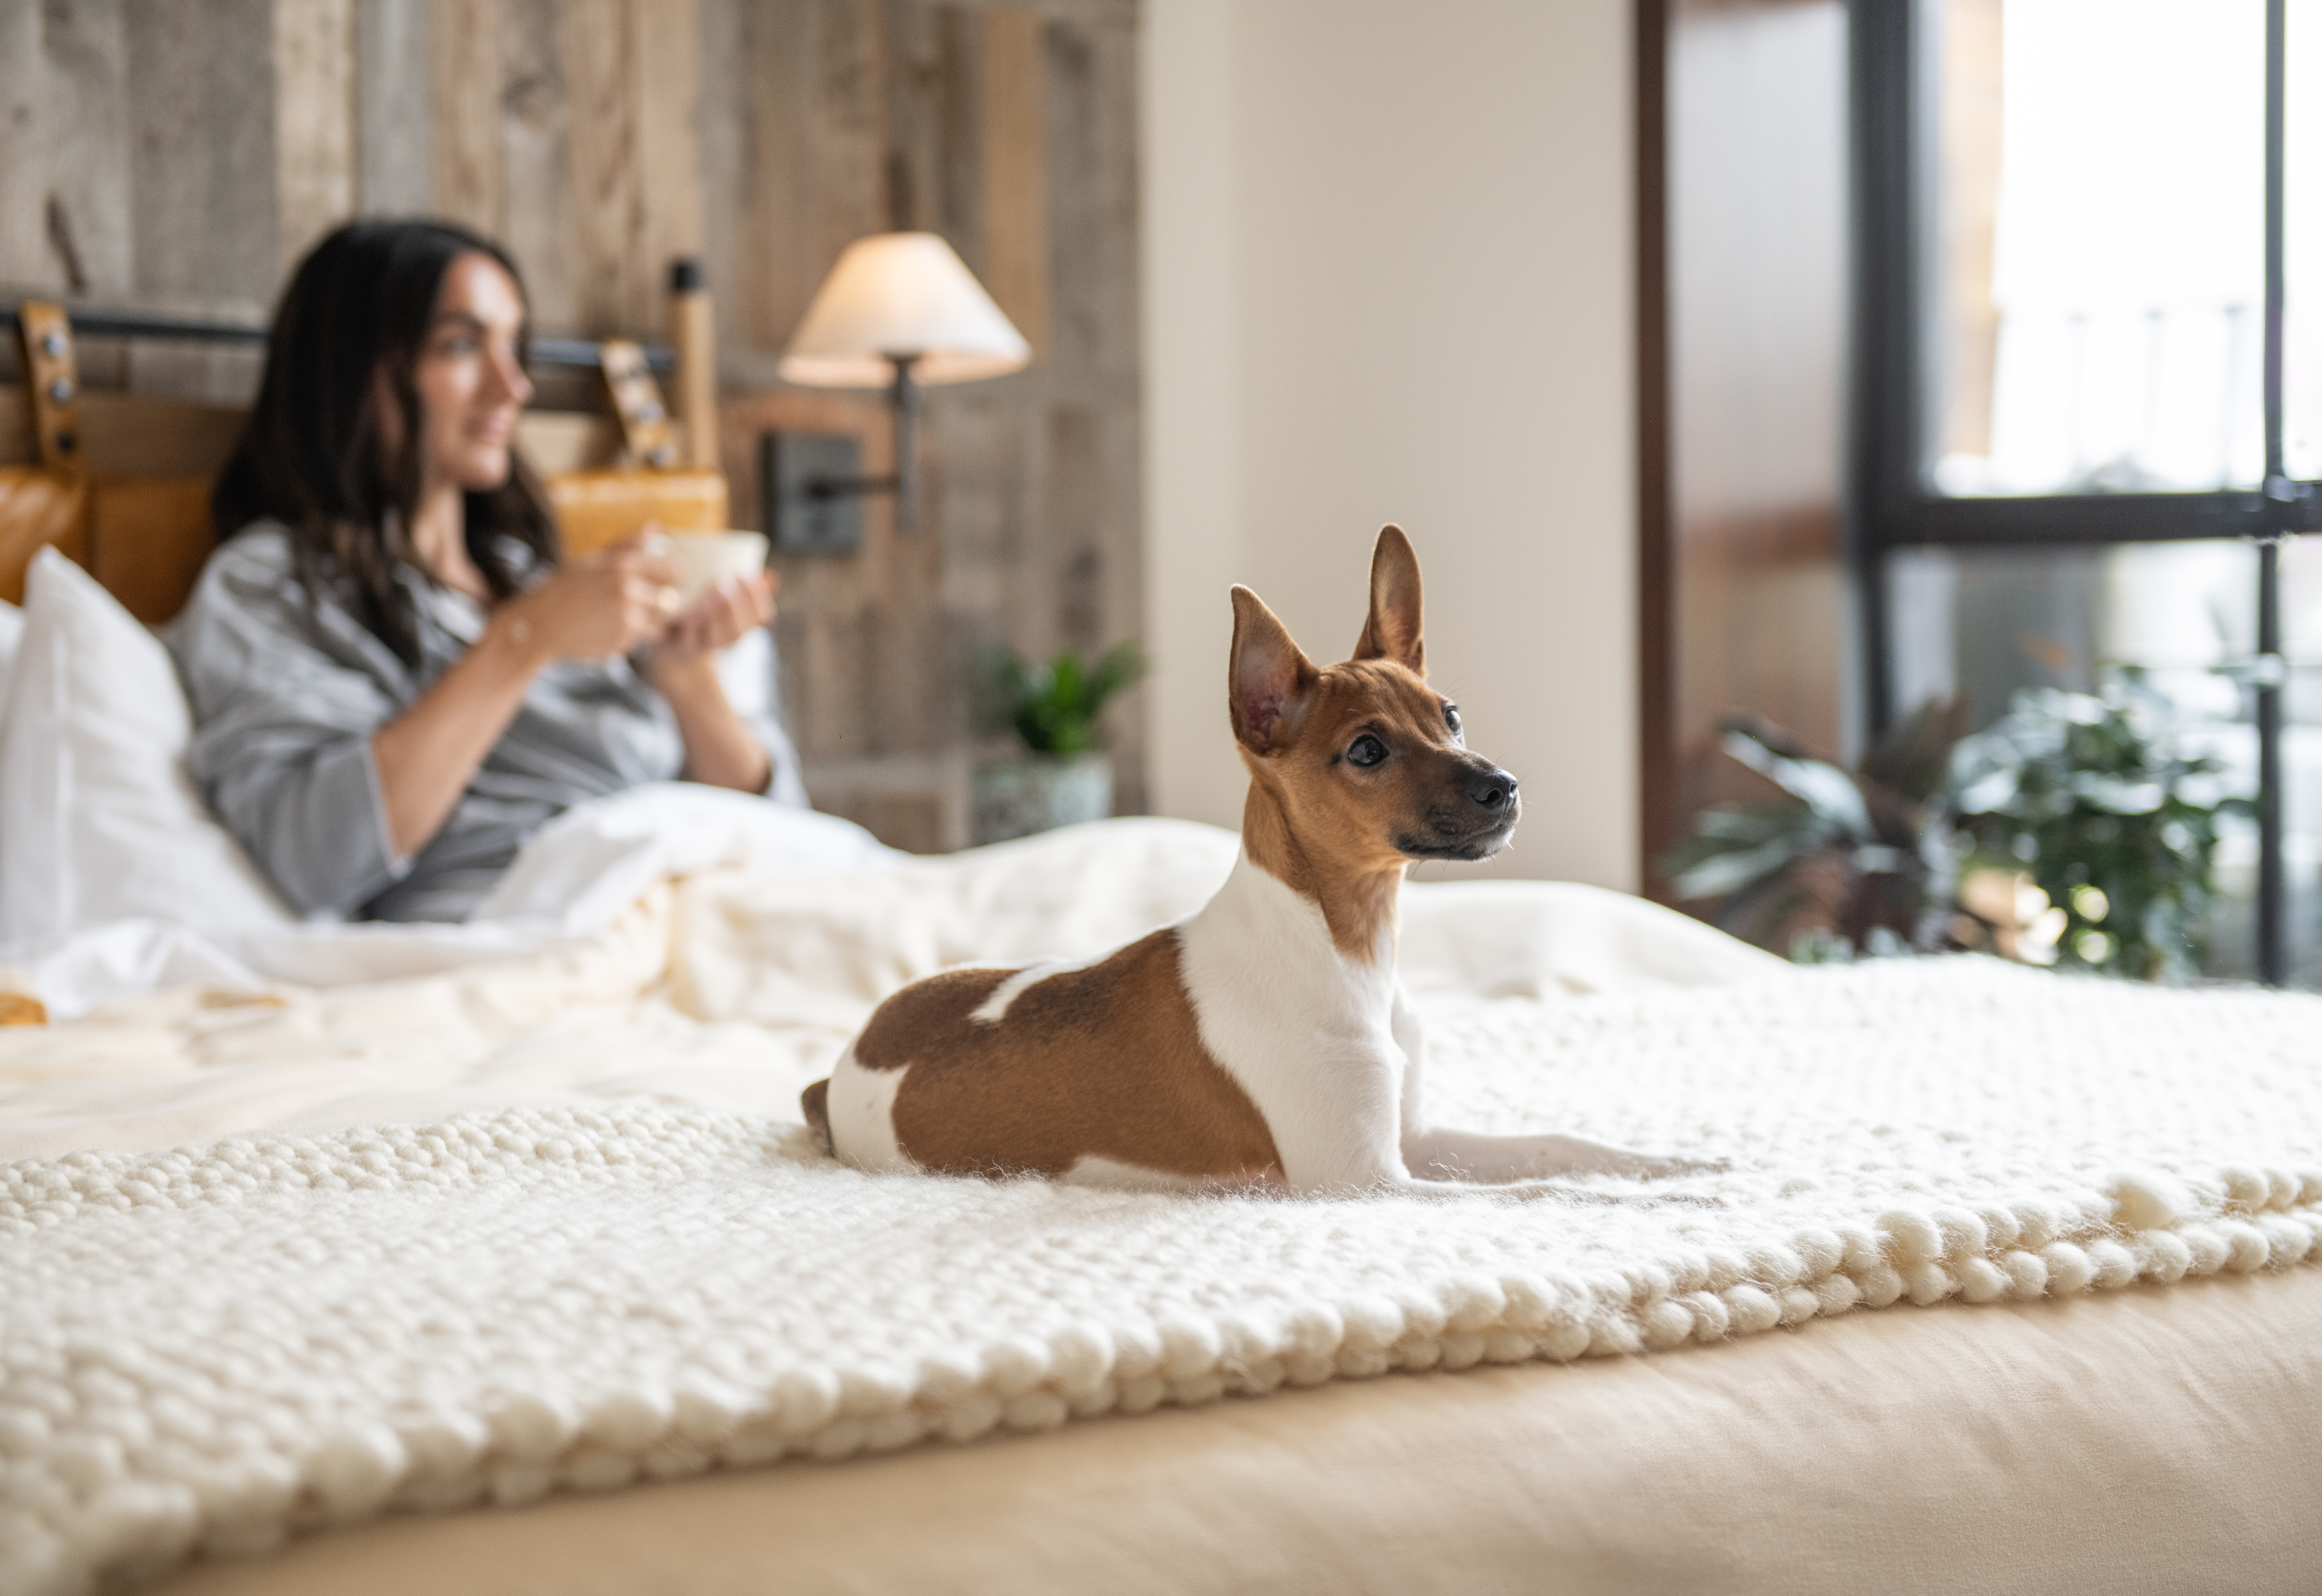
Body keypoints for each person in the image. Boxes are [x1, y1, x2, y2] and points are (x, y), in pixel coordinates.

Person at [168, 219, 805, 922]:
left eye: (515, 347)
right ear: (352, 369)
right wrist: (523, 640)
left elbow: (784, 831)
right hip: (535, 933)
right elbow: (314, 859)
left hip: (706, 901)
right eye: (463, 345)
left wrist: (685, 679)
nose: (514, 386)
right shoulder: (271, 587)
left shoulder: (532, 573)